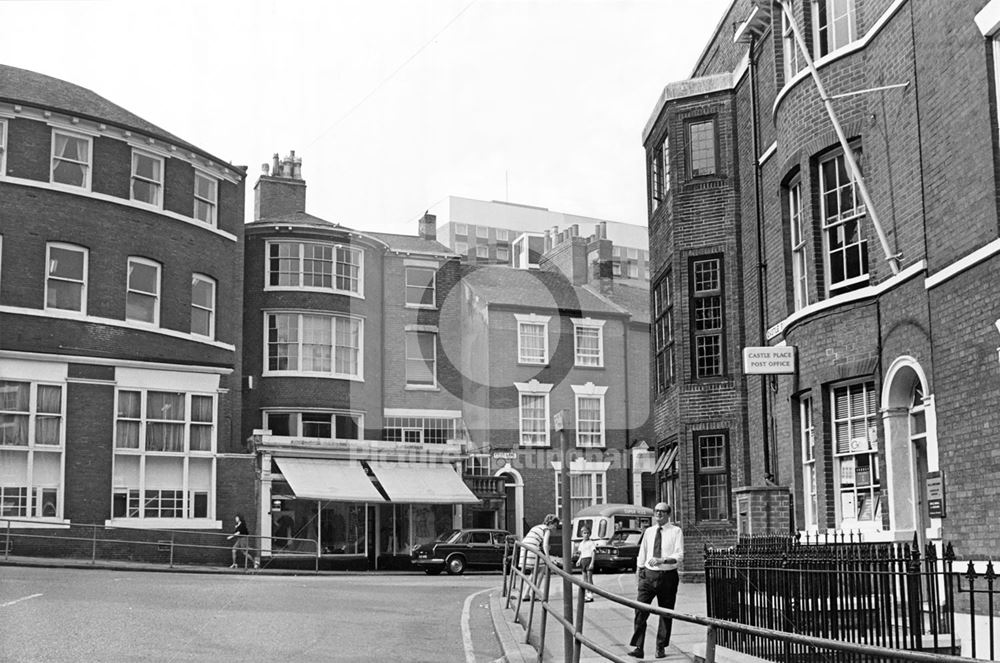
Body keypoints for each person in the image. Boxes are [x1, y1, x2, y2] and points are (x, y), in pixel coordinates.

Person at [627, 503, 683, 659]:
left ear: (668, 514)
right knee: (640, 611)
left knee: (665, 613)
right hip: (648, 576)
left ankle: (660, 646)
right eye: (656, 511)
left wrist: (662, 560)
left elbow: (679, 556)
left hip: (668, 577)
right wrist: (639, 572)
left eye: (662, 511)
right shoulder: (649, 532)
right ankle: (639, 647)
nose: (658, 514)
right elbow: (642, 552)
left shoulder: (676, 531)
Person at [577, 525, 596, 602]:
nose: (586, 535)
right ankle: (587, 593)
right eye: (584, 533)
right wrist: (579, 560)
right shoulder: (581, 543)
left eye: (588, 533)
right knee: (584, 578)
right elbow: (581, 553)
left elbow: (593, 553)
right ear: (582, 534)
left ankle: (590, 594)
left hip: (588, 560)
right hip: (583, 561)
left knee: (589, 578)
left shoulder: (591, 543)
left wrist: (592, 563)